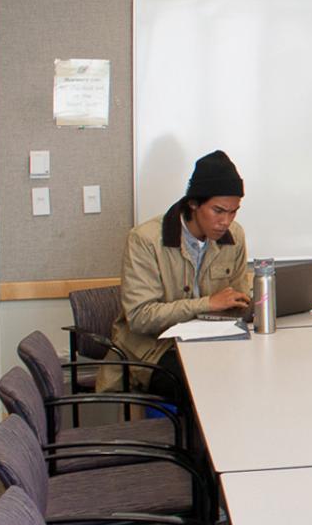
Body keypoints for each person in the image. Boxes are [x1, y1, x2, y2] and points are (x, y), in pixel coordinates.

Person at [106, 149, 251, 397]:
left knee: (251, 373)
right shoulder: (145, 240)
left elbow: (239, 300)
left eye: (233, 211)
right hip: (154, 349)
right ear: (194, 203)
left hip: (212, 344)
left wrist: (256, 304)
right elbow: (140, 317)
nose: (226, 221)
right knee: (203, 386)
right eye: (218, 211)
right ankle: (198, 436)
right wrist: (207, 304)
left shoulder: (234, 236)